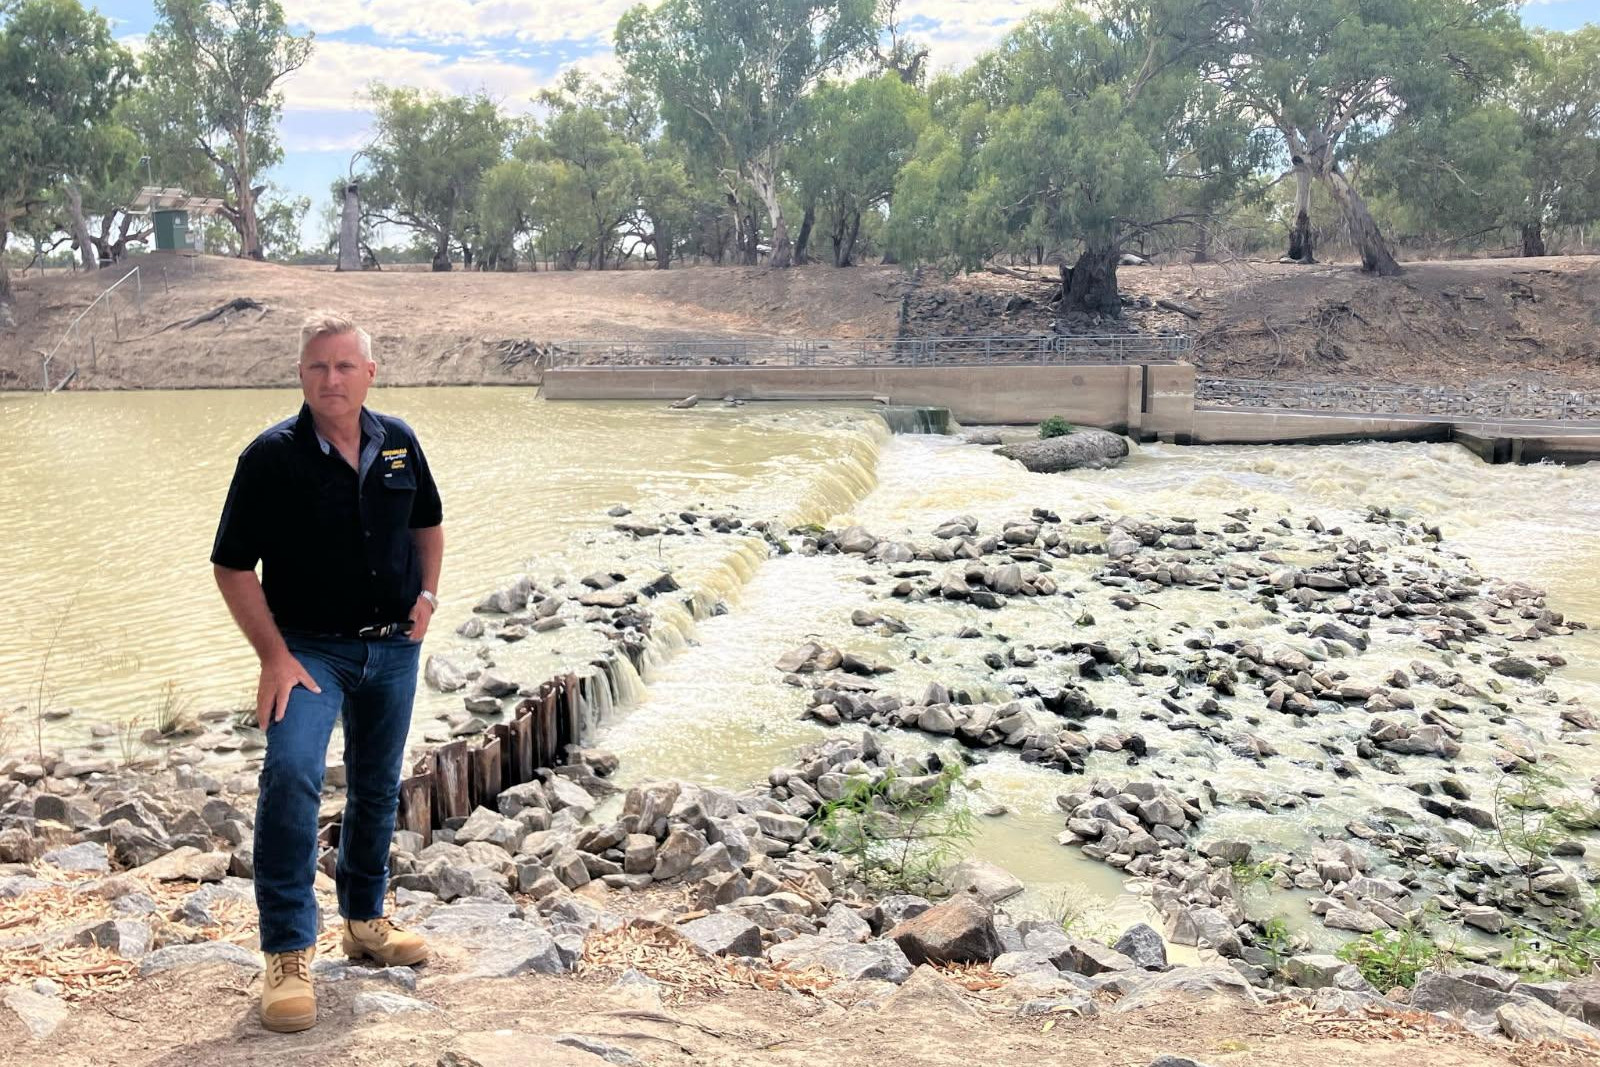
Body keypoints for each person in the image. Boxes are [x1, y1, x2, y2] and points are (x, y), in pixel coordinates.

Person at [211, 310, 444, 1033]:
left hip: (393, 650)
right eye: (318, 366)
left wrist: (428, 597)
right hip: (309, 651)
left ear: (369, 373)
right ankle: (285, 951)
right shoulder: (270, 458)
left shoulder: (399, 442)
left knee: (377, 786)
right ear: (301, 375)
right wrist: (273, 655)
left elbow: (427, 523)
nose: (331, 378)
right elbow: (230, 565)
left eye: (345, 365)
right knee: (291, 773)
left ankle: (365, 920)